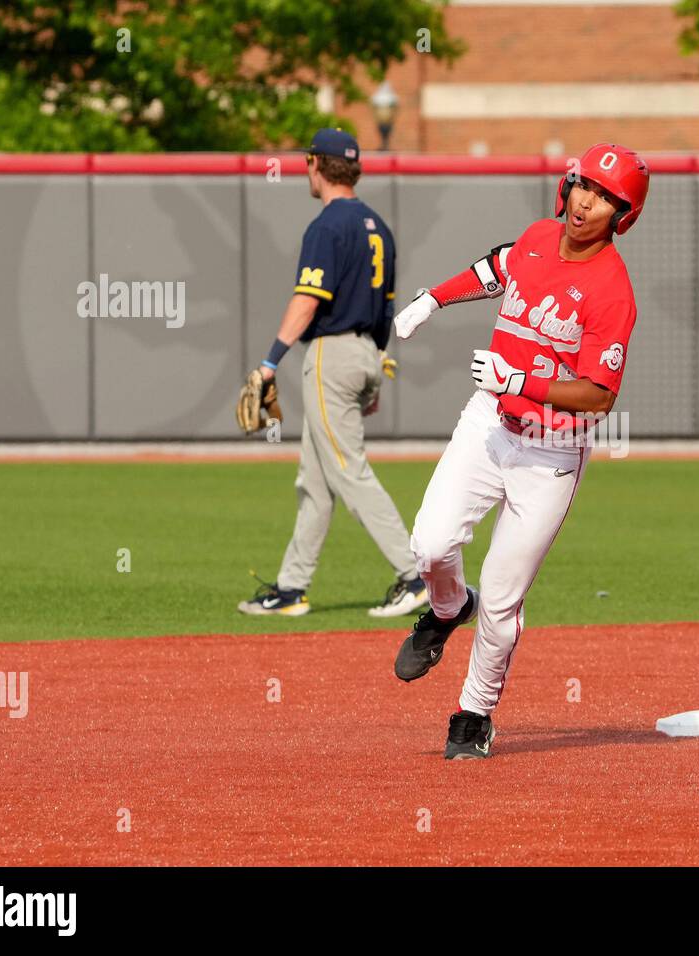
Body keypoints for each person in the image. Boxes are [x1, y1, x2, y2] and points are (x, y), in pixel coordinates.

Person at [390, 143, 649, 759]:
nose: (587, 202)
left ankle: (473, 714)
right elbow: (496, 269)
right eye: (584, 185)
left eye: (606, 197)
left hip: (551, 452)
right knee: (428, 543)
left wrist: (520, 381)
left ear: (622, 214)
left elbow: (598, 395)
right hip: (488, 424)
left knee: (503, 597)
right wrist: (433, 298)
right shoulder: (537, 237)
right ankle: (448, 608)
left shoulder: (613, 290)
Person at [238, 128, 428, 620]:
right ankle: (291, 588)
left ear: (316, 165)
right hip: (366, 353)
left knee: (348, 470)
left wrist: (269, 360)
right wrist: (377, 369)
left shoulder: (327, 226)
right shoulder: (377, 227)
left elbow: (309, 299)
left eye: (307, 162)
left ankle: (416, 575)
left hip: (332, 356)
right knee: (316, 480)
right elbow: (386, 307)